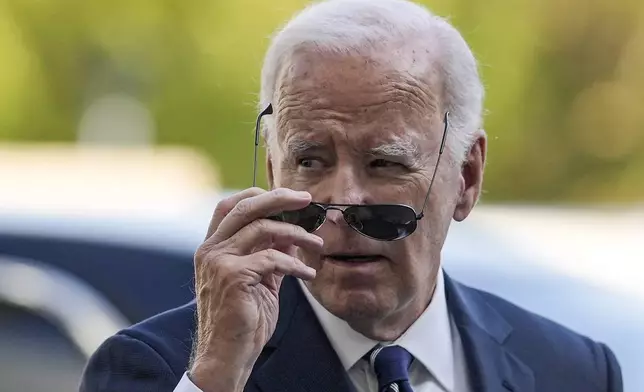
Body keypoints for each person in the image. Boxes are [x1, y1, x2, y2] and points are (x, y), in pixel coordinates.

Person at [79, 0, 623, 391]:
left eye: (385, 163)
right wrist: (219, 379)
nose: (341, 202)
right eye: (310, 162)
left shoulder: (573, 370)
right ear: (273, 171)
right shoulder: (160, 368)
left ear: (467, 177)